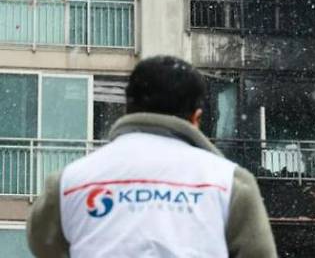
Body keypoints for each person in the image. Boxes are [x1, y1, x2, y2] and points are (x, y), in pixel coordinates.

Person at [26, 56, 277, 258]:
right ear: (196, 117)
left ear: (127, 108)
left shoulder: (70, 182)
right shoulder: (229, 183)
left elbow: (43, 243)